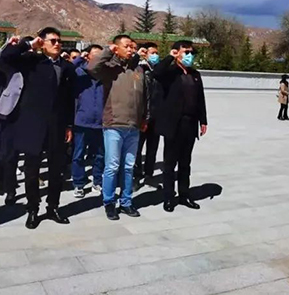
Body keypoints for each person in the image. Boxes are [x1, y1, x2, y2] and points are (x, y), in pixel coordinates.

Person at [0, 27, 75, 228]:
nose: (57, 44)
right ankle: (33, 208)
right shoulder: (31, 61)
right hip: (33, 125)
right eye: (52, 41)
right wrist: (29, 44)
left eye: (59, 41)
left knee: (57, 170)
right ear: (42, 42)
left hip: (57, 126)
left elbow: (69, 99)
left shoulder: (66, 67)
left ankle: (53, 207)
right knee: (32, 170)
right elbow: (6, 57)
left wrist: (69, 125)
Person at [88, 34, 149, 221]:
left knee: (129, 167)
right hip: (114, 124)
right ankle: (109, 202)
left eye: (132, 46)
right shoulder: (109, 68)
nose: (131, 49)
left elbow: (145, 96)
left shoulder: (138, 70)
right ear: (116, 47)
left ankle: (126, 201)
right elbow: (92, 68)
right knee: (112, 167)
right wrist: (108, 52)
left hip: (134, 126)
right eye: (126, 46)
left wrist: (145, 118)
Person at [153, 40, 208, 212]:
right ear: (177, 53)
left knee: (185, 162)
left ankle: (184, 195)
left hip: (190, 124)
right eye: (186, 52)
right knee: (170, 163)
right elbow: (156, 73)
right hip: (174, 124)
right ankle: (169, 197)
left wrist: (203, 120)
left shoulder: (195, 74)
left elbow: (200, 98)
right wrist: (170, 57)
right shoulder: (170, 73)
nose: (190, 55)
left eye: (192, 52)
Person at [71, 45, 105, 198]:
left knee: (100, 154)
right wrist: (79, 59)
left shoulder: (105, 75)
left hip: (101, 122)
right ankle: (79, 183)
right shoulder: (79, 73)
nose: (98, 58)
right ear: (88, 56)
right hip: (82, 120)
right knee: (78, 154)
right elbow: (67, 70)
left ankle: (97, 180)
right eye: (95, 55)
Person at [134, 42, 163, 186]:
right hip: (142, 117)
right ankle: (136, 175)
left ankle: (149, 174)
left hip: (156, 117)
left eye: (157, 53)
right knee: (137, 148)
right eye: (152, 53)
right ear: (145, 54)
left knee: (152, 148)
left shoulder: (159, 70)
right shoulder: (139, 69)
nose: (155, 55)